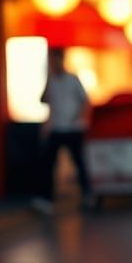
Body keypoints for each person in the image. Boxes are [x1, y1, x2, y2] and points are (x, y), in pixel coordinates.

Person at [32, 46, 94, 214]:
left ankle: (87, 195)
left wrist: (78, 117)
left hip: (73, 128)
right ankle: (46, 199)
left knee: (78, 162)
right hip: (56, 128)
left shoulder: (73, 79)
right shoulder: (51, 80)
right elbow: (44, 100)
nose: (52, 63)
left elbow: (85, 101)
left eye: (54, 59)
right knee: (48, 163)